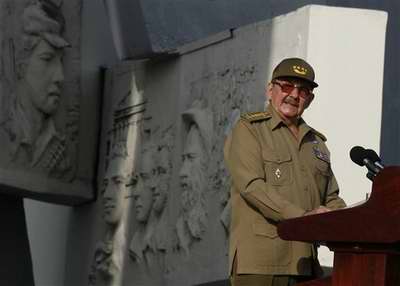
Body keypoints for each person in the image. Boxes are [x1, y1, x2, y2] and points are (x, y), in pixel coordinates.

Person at [224, 57, 346, 286]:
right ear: (271, 90)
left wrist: (345, 222)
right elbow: (252, 187)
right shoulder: (249, 129)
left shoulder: (316, 143)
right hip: (261, 263)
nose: (294, 94)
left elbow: (331, 197)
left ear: (309, 99)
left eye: (303, 90)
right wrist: (302, 220)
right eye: (287, 86)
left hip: (305, 262)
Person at [0, 0, 72, 176]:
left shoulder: (62, 154)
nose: (60, 77)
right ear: (21, 66)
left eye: (61, 62)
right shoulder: (5, 137)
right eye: (47, 59)